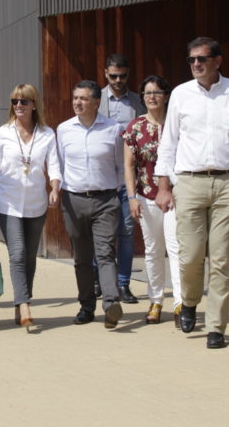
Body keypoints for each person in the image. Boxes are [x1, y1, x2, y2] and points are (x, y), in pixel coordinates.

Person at [155, 37, 229, 350]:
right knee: (189, 256)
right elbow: (169, 142)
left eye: (202, 59)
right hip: (188, 183)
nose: (196, 65)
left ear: (218, 60)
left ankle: (217, 327)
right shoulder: (180, 94)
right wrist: (164, 185)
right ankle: (189, 302)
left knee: (221, 260)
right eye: (191, 60)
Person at [0, 84, 61, 330]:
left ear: (34, 105)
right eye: (15, 101)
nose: (18, 106)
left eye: (23, 102)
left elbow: (55, 166)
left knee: (29, 257)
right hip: (8, 202)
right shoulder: (4, 133)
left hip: (37, 204)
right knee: (16, 254)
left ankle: (20, 305)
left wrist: (55, 188)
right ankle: (25, 303)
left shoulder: (47, 134)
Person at [57, 80, 125, 329]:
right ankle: (86, 306)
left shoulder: (113, 129)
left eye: (84, 98)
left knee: (105, 252)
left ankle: (110, 304)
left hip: (106, 200)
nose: (78, 102)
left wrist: (112, 192)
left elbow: (120, 166)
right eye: (75, 98)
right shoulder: (63, 130)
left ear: (97, 102)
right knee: (82, 257)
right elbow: (61, 165)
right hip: (73, 200)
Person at [122, 75, 182, 325]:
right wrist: (131, 197)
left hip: (177, 196)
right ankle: (156, 300)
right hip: (146, 196)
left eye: (157, 92)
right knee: (153, 250)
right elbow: (128, 165)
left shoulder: (179, 124)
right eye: (147, 93)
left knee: (177, 249)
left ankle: (181, 302)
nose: (152, 97)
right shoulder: (134, 127)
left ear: (166, 96)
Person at [99, 53, 145, 304]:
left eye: (123, 76)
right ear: (105, 73)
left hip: (128, 179)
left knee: (127, 233)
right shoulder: (96, 100)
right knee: (102, 234)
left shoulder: (138, 103)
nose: (118, 80)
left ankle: (124, 283)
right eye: (113, 75)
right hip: (101, 179)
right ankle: (100, 279)